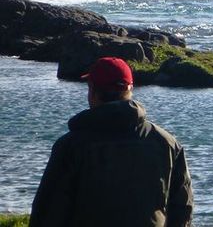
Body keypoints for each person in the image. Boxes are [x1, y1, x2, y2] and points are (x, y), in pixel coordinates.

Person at [29, 57, 193, 227]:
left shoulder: (70, 146)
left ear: (92, 90)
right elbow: (183, 209)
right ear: (130, 89)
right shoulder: (168, 143)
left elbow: (47, 213)